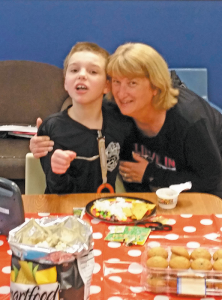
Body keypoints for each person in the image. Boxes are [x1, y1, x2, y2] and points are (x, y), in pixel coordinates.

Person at [30, 42, 222, 198]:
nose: (121, 93)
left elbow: (211, 180)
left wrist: (151, 174)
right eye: (117, 82)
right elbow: (80, 119)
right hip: (149, 197)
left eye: (132, 83)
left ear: (155, 86)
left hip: (205, 192)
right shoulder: (115, 110)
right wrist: (45, 139)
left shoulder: (190, 120)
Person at [36, 42, 132, 194]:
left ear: (107, 86)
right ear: (65, 83)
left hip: (106, 210)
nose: (81, 75)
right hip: (65, 210)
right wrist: (57, 170)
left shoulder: (120, 121)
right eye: (74, 70)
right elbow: (57, 191)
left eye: (93, 72)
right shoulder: (52, 127)